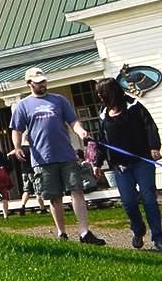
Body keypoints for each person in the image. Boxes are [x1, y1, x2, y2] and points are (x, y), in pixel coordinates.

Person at [10, 67, 105, 245]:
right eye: (38, 83)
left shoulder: (59, 100)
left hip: (66, 155)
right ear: (29, 84)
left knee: (77, 191)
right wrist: (16, 147)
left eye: (44, 81)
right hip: (42, 158)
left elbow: (73, 121)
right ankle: (62, 233)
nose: (42, 85)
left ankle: (85, 232)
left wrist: (81, 132)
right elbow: (17, 129)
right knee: (54, 197)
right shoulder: (23, 105)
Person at [94, 76, 162, 251]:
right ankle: (138, 230)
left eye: (102, 94)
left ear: (111, 93)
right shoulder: (103, 115)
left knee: (149, 199)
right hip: (120, 167)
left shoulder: (134, 106)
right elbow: (102, 142)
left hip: (141, 161)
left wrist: (154, 147)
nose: (100, 97)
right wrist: (97, 163)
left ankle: (158, 238)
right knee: (129, 202)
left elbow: (150, 126)